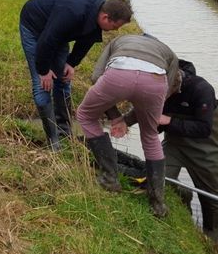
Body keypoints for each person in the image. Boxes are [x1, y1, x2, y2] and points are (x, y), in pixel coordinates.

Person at [76, 33, 181, 218]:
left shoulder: (119, 41)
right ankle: (157, 203)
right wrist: (127, 119)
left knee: (85, 115)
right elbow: (166, 91)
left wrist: (116, 117)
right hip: (155, 83)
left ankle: (109, 178)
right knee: (150, 136)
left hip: (119, 75)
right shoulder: (169, 53)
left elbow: (95, 77)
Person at [19, 0, 132, 151]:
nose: (116, 30)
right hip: (34, 26)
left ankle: (65, 133)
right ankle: (53, 142)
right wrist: (43, 71)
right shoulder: (72, 14)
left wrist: (71, 63)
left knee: (63, 80)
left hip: (57, 32)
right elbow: (46, 41)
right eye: (115, 26)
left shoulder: (100, 11)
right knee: (42, 86)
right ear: (105, 17)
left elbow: (87, 39)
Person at [158, 59, 218, 241]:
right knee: (159, 178)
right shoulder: (157, 87)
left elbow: (204, 128)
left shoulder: (201, 89)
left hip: (205, 149)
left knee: (209, 197)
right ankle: (183, 195)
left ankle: (211, 238)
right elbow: (157, 127)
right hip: (174, 145)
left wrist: (169, 121)